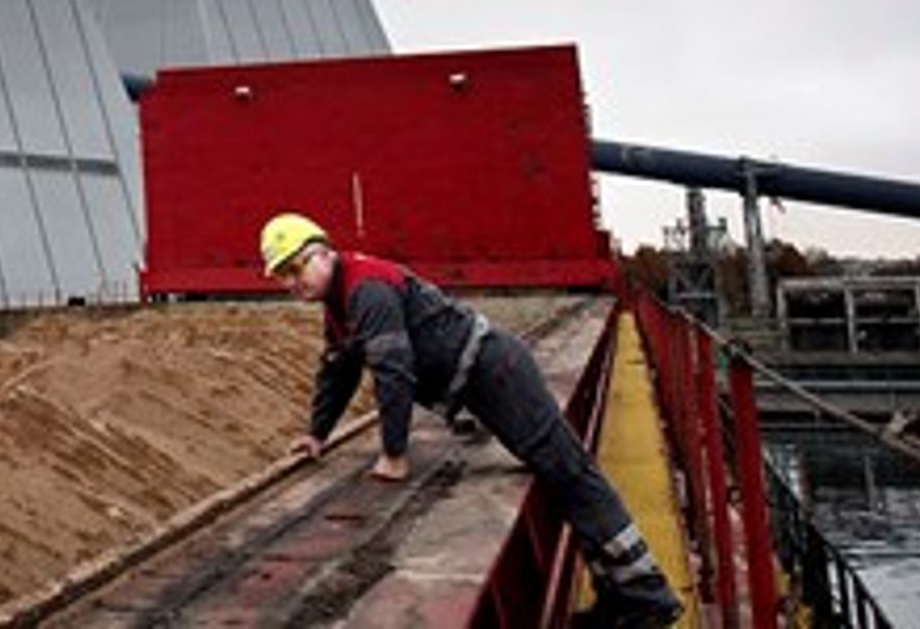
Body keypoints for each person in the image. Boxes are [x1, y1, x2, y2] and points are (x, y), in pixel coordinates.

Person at [260, 212, 684, 628]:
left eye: (297, 267)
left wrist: (393, 454)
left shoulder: (365, 289)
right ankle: (619, 595)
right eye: (282, 275)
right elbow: (339, 370)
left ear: (324, 252)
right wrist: (316, 434)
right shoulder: (341, 302)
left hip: (495, 371)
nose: (292, 282)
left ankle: (647, 597)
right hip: (482, 378)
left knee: (569, 471)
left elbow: (393, 371)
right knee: (560, 475)